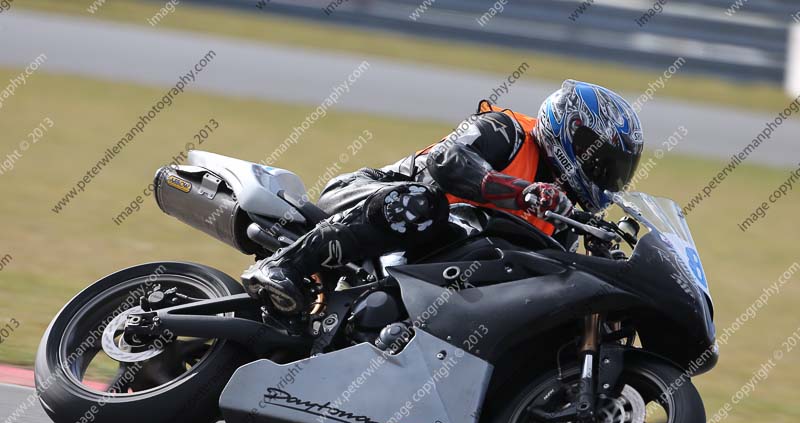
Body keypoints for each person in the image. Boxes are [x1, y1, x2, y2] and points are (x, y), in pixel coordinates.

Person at [242, 79, 644, 314]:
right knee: (422, 204)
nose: (605, 174)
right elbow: (446, 161)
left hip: (433, 257)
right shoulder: (506, 131)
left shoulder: (562, 218)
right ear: (572, 132)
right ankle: (286, 264)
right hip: (374, 198)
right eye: (601, 160)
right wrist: (523, 192)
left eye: (616, 169)